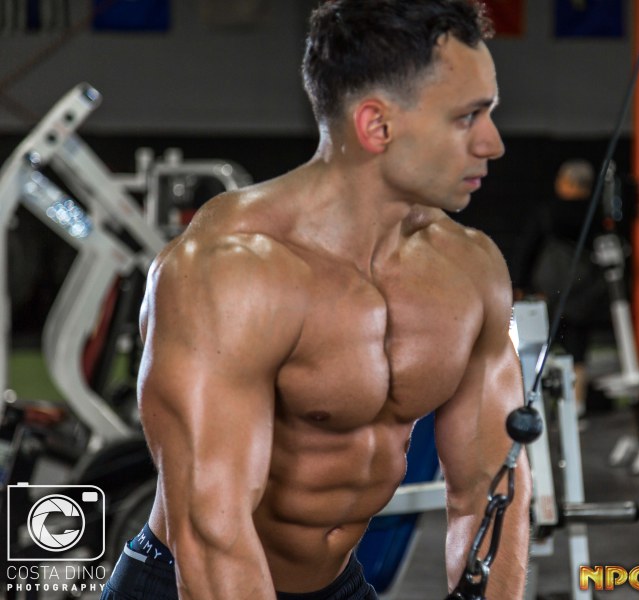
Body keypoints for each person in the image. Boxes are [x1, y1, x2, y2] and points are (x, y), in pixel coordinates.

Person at [101, 1, 531, 598]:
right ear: (376, 126)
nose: (493, 143)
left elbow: (490, 490)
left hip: (336, 585)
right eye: (468, 117)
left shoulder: (470, 268)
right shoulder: (231, 272)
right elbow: (214, 534)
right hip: (186, 581)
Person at [514, 159, 611, 414]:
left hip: (549, 293)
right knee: (577, 352)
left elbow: (528, 248)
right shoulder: (598, 214)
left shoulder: (548, 212)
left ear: (566, 182)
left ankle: (533, 405)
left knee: (535, 349)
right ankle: (576, 407)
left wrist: (520, 285)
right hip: (583, 296)